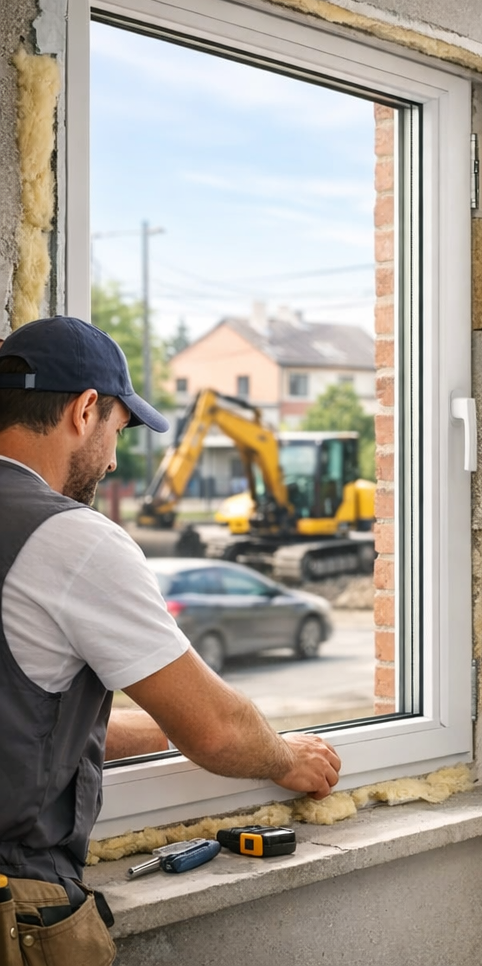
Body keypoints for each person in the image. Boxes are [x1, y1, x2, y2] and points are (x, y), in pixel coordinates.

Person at [0, 316, 341, 957]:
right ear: (85, 410)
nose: (110, 459)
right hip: (16, 903)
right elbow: (219, 730)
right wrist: (285, 758)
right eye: (118, 433)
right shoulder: (72, 538)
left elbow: (24, 723)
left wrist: (164, 728)